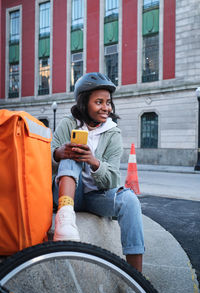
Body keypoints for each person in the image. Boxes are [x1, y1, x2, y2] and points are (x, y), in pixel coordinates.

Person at [51, 72, 144, 272]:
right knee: (72, 154)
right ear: (84, 103)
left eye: (108, 102)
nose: (106, 108)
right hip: (67, 194)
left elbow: (112, 180)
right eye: (99, 102)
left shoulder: (113, 133)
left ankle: (136, 280)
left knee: (130, 200)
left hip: (96, 196)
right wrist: (59, 153)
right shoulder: (68, 123)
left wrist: (93, 162)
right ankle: (65, 218)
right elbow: (45, 159)